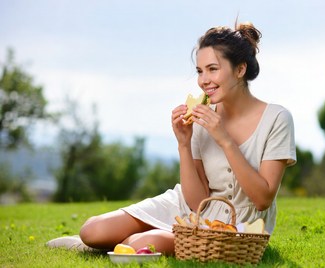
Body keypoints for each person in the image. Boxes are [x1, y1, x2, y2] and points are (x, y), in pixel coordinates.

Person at [46, 21, 296, 255]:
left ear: (240, 69)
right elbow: (197, 200)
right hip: (190, 207)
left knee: (139, 243)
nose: (203, 81)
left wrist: (225, 140)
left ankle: (123, 244)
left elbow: (263, 199)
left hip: (238, 225)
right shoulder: (201, 117)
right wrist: (184, 143)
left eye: (212, 69)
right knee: (92, 230)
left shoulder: (277, 118)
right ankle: (99, 243)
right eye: (200, 71)